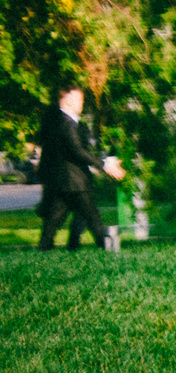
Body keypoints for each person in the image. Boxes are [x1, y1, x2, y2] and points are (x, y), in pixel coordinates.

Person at [37, 85, 123, 251]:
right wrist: (103, 165)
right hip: (75, 182)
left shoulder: (57, 121)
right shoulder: (66, 123)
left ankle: (44, 250)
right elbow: (77, 151)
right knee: (93, 219)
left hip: (62, 182)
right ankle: (107, 249)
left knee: (53, 221)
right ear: (68, 100)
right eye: (78, 99)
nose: (81, 103)